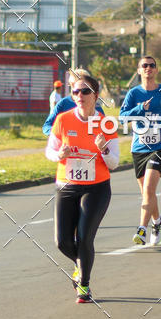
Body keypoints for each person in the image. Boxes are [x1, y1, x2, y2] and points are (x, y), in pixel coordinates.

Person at [45, 74, 119, 303]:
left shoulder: (106, 124)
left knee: (85, 237)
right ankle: (80, 265)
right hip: (67, 185)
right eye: (75, 92)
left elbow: (115, 162)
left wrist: (104, 149)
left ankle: (84, 284)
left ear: (96, 96)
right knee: (63, 241)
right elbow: (50, 151)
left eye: (85, 91)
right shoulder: (64, 119)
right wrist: (59, 155)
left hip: (96, 187)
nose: (79, 96)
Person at [119, 56, 161, 246]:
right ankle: (158, 221)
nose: (148, 68)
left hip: (159, 146)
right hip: (139, 148)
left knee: (148, 189)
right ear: (139, 71)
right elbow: (122, 117)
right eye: (144, 66)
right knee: (147, 193)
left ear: (156, 70)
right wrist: (139, 108)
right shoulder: (133, 94)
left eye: (151, 65)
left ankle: (141, 230)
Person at [42, 68, 103, 135]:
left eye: (75, 84)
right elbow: (47, 126)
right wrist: (59, 133)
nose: (73, 88)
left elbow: (104, 130)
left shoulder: (96, 106)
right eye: (70, 85)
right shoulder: (63, 103)